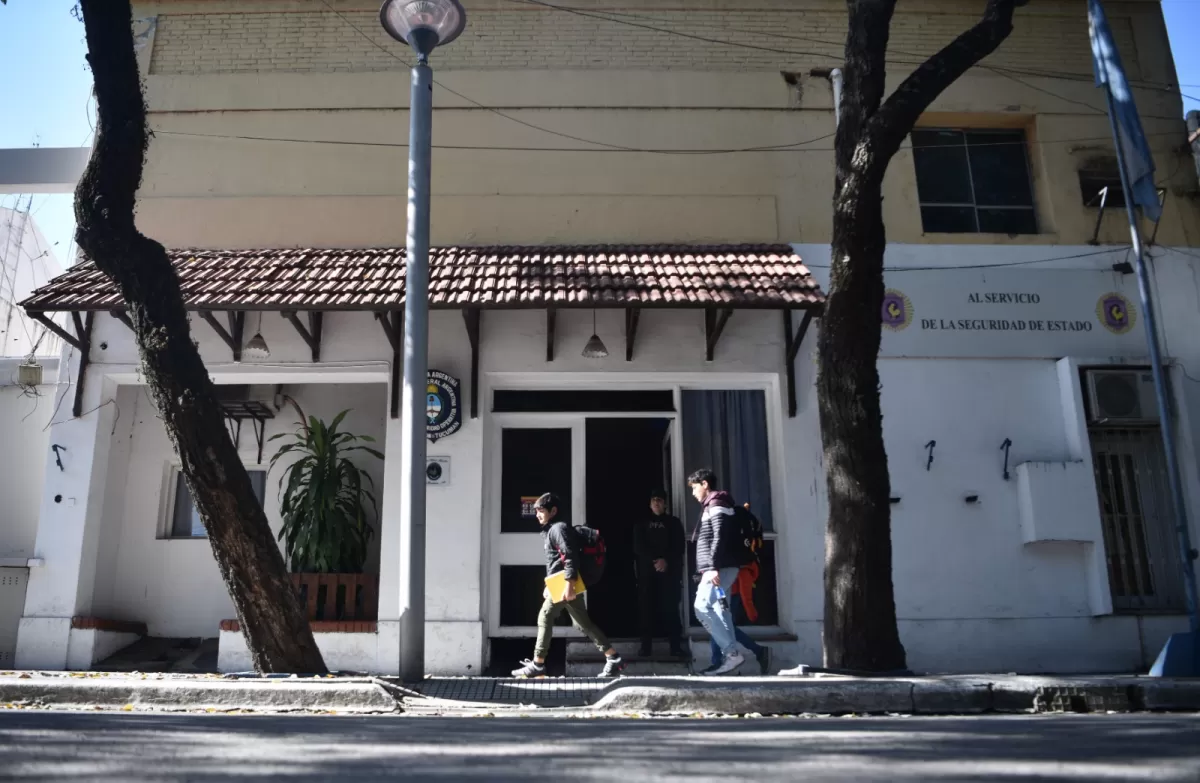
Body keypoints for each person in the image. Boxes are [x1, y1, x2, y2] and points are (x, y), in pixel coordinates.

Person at [511, 492, 626, 678]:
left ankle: (538, 664)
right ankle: (613, 658)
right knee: (583, 624)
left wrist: (569, 584)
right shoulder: (552, 530)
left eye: (541, 510)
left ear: (553, 511)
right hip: (561, 583)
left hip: (566, 583)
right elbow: (556, 562)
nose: (537, 515)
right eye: (536, 511)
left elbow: (570, 556)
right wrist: (550, 585)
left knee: (545, 616)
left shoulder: (558, 529)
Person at [688, 468, 752, 675]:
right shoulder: (715, 503)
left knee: (701, 608)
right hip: (720, 566)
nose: (693, 493)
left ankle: (731, 654)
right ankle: (731, 661)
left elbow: (720, 536)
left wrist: (712, 566)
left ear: (705, 484)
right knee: (720, 610)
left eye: (695, 487)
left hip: (719, 567)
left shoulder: (716, 503)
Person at [633, 488, 688, 659]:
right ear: (649, 503)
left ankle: (676, 647)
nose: (657, 502)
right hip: (647, 575)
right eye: (653, 499)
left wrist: (666, 560)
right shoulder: (641, 523)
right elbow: (638, 547)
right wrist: (655, 560)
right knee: (646, 609)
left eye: (660, 500)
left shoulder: (673, 522)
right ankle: (645, 647)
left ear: (665, 503)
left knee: (671, 609)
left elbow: (679, 546)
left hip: (670, 574)